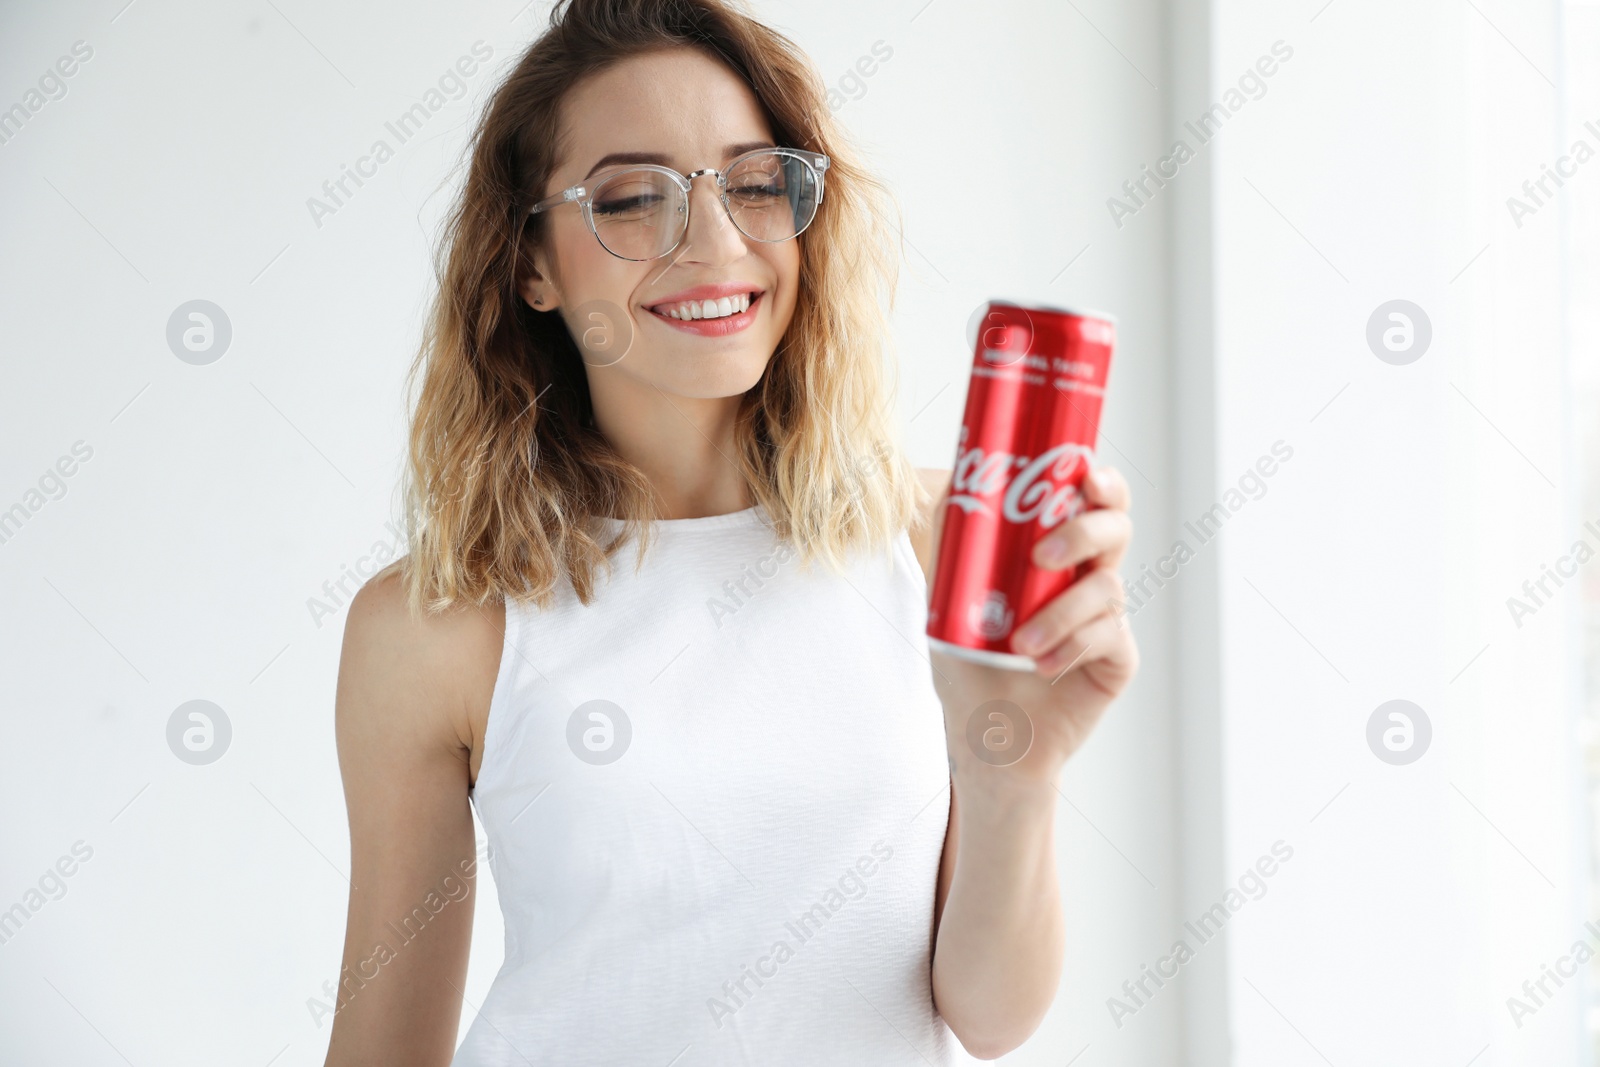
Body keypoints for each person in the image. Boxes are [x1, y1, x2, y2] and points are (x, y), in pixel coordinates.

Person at [323, 1, 1138, 1064]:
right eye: (629, 198)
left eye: (755, 183)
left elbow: (986, 1015)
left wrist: (1016, 774)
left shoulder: (938, 542)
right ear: (529, 262)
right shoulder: (436, 621)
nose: (714, 244)